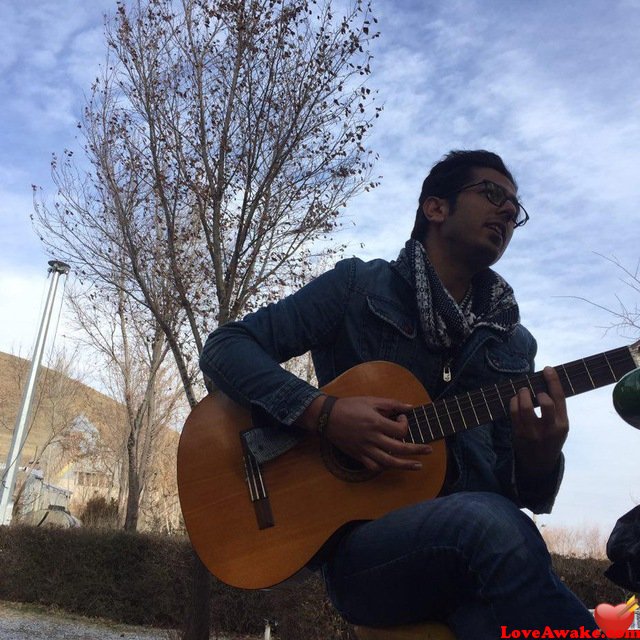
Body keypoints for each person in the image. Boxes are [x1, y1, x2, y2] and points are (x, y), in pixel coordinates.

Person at [199, 150, 598, 638]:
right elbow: (225, 349)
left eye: (516, 209)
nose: (508, 212)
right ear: (436, 208)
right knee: (487, 522)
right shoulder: (358, 288)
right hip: (366, 558)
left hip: (472, 561)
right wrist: (324, 414)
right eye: (493, 195)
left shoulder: (514, 346)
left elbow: (515, 494)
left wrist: (539, 459)